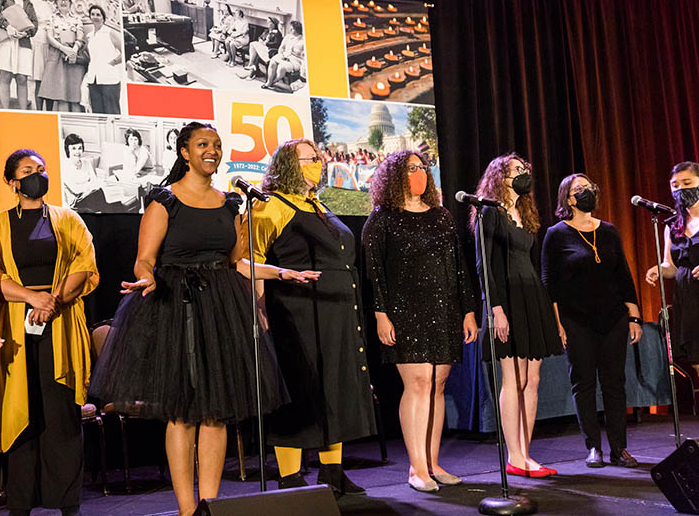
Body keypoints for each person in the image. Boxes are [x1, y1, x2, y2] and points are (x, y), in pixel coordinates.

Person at [89, 122, 290, 516]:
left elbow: (239, 262)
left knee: (215, 411)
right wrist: (146, 278)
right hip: (175, 305)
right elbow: (145, 257)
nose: (211, 150)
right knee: (183, 413)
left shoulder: (231, 204)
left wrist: (283, 273)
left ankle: (208, 505)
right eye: (202, 144)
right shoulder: (166, 201)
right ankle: (185, 509)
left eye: (216, 144)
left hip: (220, 307)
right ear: (185, 152)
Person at [241, 138, 375, 496]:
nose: (319, 162)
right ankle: (290, 477)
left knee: (334, 389)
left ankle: (332, 473)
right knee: (299, 391)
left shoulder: (318, 204)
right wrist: (259, 310)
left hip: (336, 314)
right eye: (311, 158)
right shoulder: (270, 207)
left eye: (319, 157)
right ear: (289, 164)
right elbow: (248, 261)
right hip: (295, 313)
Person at [0, 149, 99, 516]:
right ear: (13, 182)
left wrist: (53, 302)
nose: (37, 175)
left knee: (61, 414)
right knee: (21, 413)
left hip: (60, 326)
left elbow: (84, 262)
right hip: (16, 328)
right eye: (28, 171)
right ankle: (20, 504)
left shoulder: (68, 218)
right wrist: (33, 298)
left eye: (41, 170)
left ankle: (67, 504)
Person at [361, 150, 478, 492]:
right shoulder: (383, 217)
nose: (420, 172)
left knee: (438, 384)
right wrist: (381, 314)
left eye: (423, 167)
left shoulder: (441, 215)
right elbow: (374, 272)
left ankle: (432, 461)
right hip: (404, 311)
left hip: (443, 310)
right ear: (396, 175)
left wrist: (468, 311)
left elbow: (459, 267)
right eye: (411, 168)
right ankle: (416, 468)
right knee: (419, 384)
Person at [471, 153, 563, 478]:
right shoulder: (489, 212)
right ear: (500, 177)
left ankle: (525, 453)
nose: (523, 174)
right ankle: (514, 455)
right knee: (513, 379)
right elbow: (483, 266)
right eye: (515, 170)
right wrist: (495, 308)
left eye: (525, 169)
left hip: (531, 295)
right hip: (505, 298)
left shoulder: (525, 212)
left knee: (532, 379)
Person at [542, 173, 641, 469]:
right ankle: (593, 448)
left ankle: (619, 449)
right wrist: (557, 324)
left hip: (613, 319)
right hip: (576, 321)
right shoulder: (556, 234)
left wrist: (634, 316)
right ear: (568, 198)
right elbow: (550, 285)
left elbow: (623, 276)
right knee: (583, 383)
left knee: (615, 384)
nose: (587, 192)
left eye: (589, 187)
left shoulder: (609, 231)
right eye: (579, 189)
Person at [646, 161, 699, 376]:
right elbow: (672, 266)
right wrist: (659, 269)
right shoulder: (673, 225)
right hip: (688, 299)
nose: (681, 189)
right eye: (675, 185)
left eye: (687, 183)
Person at [0, 0, 39, 110]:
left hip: (23, 43)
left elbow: (34, 23)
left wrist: (25, 33)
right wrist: (8, 27)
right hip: (7, 41)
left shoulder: (27, 2)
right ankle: (5, 111)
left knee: (22, 78)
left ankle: (23, 112)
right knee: (5, 75)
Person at [39, 0, 86, 113]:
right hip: (57, 55)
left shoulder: (77, 18)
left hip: (73, 58)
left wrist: (73, 51)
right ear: (56, 3)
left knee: (75, 95)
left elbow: (80, 36)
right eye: (60, 0)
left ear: (70, 3)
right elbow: (50, 37)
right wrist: (63, 49)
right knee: (61, 95)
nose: (63, 2)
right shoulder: (52, 18)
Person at [21, 0, 55, 110]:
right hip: (37, 40)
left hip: (51, 42)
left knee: (50, 78)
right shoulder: (31, 2)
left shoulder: (51, 5)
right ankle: (40, 110)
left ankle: (51, 111)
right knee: (40, 79)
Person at [83, 4, 122, 115]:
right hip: (93, 79)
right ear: (90, 17)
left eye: (98, 15)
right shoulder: (90, 36)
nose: (95, 17)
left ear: (103, 18)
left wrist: (113, 62)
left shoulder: (110, 33)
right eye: (93, 14)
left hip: (109, 78)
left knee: (112, 111)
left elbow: (125, 52)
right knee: (98, 112)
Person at [263, 21, 306, 92]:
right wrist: (281, 54)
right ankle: (269, 82)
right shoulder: (288, 37)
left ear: (297, 30)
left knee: (281, 67)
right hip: (284, 55)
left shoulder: (303, 41)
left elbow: (303, 56)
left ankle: (273, 82)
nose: (290, 30)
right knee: (273, 62)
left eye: (292, 29)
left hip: (295, 60)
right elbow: (281, 48)